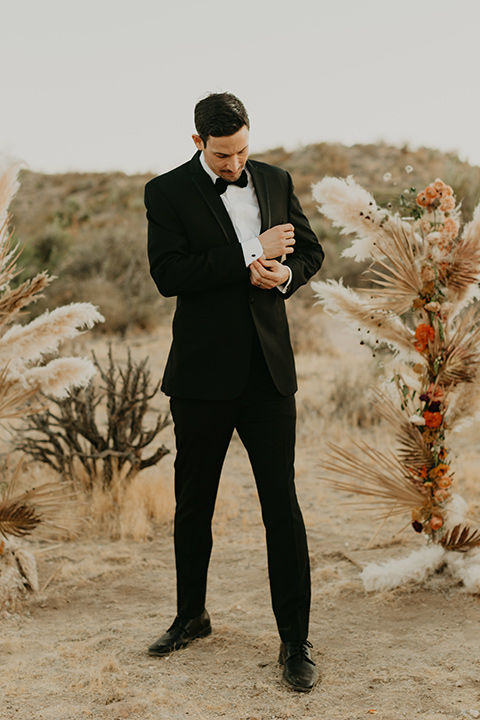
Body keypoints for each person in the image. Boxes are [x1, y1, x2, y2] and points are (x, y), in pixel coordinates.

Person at [145, 92, 324, 692]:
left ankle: (295, 642)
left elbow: (311, 249)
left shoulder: (275, 179)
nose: (236, 163)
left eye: (243, 149)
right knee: (194, 502)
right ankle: (190, 616)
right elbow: (169, 275)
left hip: (269, 374)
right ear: (197, 143)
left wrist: (285, 276)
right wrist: (250, 253)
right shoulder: (165, 193)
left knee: (283, 507)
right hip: (201, 377)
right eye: (223, 155)